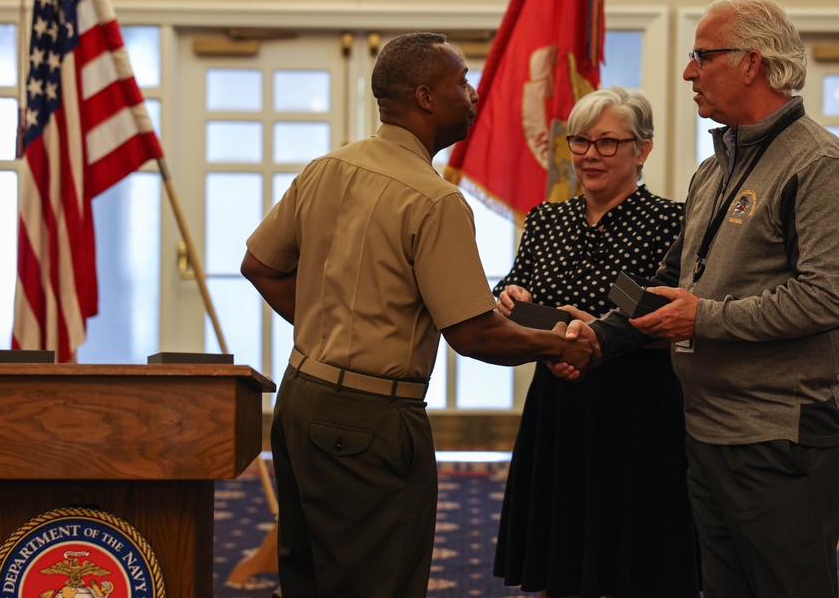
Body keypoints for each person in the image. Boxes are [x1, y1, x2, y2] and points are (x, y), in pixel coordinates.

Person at [240, 32, 595, 598]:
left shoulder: (326, 167)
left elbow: (260, 265)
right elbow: (473, 332)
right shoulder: (434, 201)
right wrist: (560, 344)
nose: (473, 93)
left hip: (300, 396)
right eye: (463, 81)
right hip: (371, 421)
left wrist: (329, 330)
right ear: (426, 97)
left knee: (310, 578)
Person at [554, 0, 839, 598]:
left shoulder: (820, 163)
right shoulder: (715, 167)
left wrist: (705, 319)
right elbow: (672, 285)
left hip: (780, 435)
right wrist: (597, 335)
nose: (688, 72)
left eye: (702, 55)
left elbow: (828, 298)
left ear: (752, 62)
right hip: (706, 428)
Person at [493, 86, 699, 597]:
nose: (589, 154)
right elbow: (516, 289)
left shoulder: (672, 222)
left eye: (607, 142)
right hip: (558, 404)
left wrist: (596, 335)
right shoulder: (546, 219)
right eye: (580, 141)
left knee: (639, 562)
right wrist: (510, 297)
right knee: (559, 561)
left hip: (637, 409)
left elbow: (665, 313)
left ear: (642, 149)